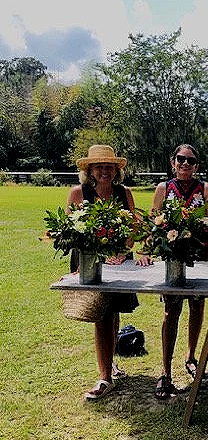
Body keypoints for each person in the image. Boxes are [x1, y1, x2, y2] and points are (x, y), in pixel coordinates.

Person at [138, 144, 208, 400]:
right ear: (173, 162)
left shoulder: (205, 189)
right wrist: (145, 251)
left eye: (191, 160)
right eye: (181, 159)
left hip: (199, 256)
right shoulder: (163, 188)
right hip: (172, 257)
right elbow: (154, 223)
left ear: (197, 166)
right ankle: (165, 370)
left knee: (197, 307)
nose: (185, 164)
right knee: (170, 310)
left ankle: (191, 355)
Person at [66, 144, 139, 400]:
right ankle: (105, 377)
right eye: (99, 166)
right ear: (90, 170)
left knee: (113, 312)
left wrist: (122, 250)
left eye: (109, 166)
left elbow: (132, 229)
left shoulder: (124, 193)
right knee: (101, 317)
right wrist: (99, 254)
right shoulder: (79, 193)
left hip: (119, 262)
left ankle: (110, 365)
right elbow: (71, 234)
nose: (104, 171)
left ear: (115, 170)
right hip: (91, 263)